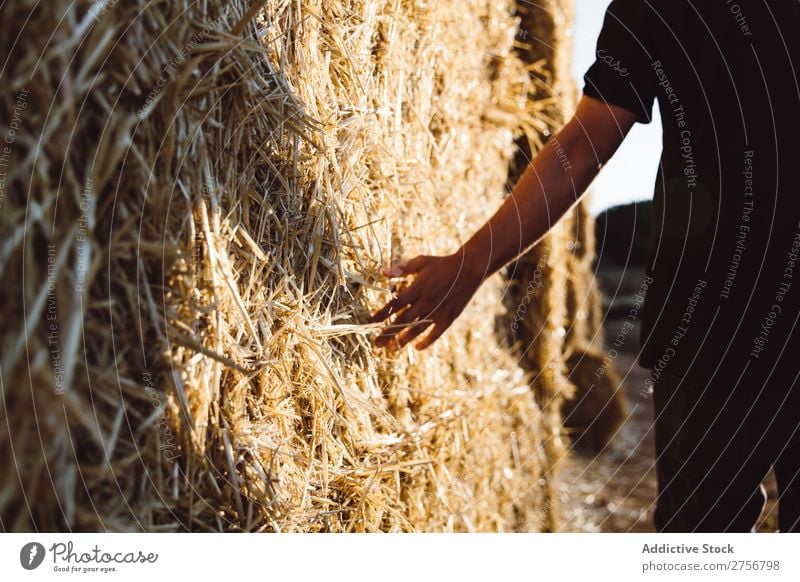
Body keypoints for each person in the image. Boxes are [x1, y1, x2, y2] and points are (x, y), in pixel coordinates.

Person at [370, 0, 800, 532]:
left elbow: (582, 143)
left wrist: (471, 263)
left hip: (709, 315)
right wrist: (470, 263)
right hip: (712, 319)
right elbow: (582, 144)